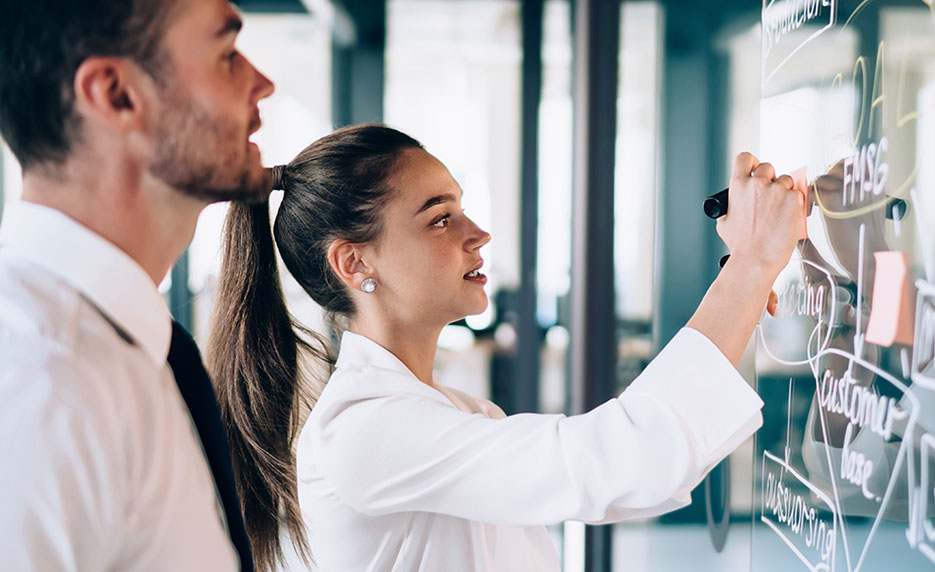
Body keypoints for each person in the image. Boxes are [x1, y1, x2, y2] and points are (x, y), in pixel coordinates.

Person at [208, 123, 806, 571]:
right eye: (440, 218)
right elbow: (621, 458)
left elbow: (627, 476)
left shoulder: (461, 413)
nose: (478, 234)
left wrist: (744, 291)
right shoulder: (364, 431)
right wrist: (748, 269)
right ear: (354, 261)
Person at [0, 0, 275, 569]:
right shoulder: (44, 376)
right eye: (227, 56)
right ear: (116, 94)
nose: (262, 83)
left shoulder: (121, 352)